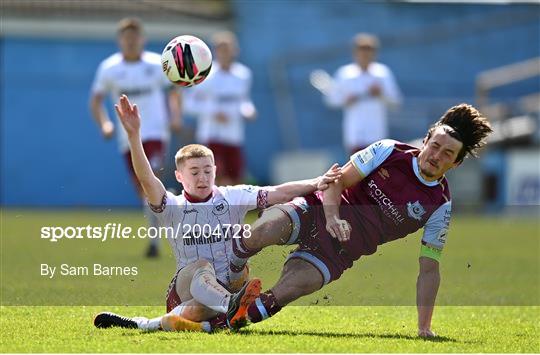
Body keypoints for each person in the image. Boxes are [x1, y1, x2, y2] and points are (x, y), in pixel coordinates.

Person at [230, 104, 492, 338]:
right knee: (263, 230)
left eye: (448, 153)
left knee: (290, 289)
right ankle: (228, 278)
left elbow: (429, 268)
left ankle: (232, 317)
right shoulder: (389, 151)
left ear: (456, 164)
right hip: (319, 209)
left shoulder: (440, 204)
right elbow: (338, 180)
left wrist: (424, 327)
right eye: (435, 146)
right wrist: (332, 217)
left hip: (341, 250)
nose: (437, 156)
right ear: (425, 141)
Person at [93, 95, 340, 332]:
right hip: (186, 287)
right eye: (194, 172)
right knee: (201, 266)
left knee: (233, 279)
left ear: (215, 170)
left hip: (223, 291)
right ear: (179, 176)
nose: (202, 178)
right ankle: (230, 307)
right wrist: (134, 136)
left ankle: (168, 323)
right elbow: (146, 179)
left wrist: (319, 181)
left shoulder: (231, 196)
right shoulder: (173, 207)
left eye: (207, 171)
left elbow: (277, 192)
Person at [89, 18, 182, 258]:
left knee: (151, 177)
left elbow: (174, 91)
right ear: (120, 40)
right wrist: (106, 124)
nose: (130, 42)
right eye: (126, 38)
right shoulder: (109, 68)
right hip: (127, 136)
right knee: (143, 189)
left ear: (143, 39)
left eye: (135, 37)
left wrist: (175, 116)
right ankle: (169, 208)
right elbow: (96, 101)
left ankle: (154, 244)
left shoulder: (156, 64)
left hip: (155, 132)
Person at [189, 31, 256, 186]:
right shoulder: (205, 75)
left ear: (235, 50)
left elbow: (244, 101)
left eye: (228, 48)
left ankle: (229, 210)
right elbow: (190, 105)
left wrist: (248, 111)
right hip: (211, 134)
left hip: (233, 135)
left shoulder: (243, 74)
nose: (224, 52)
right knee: (216, 177)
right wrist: (213, 113)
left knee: (236, 178)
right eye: (220, 48)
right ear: (214, 51)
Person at [324, 33, 402, 155]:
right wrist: (346, 100)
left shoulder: (383, 73)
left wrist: (380, 94)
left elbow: (396, 102)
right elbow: (331, 100)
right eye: (361, 50)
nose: (365, 55)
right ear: (355, 52)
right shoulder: (345, 74)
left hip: (377, 135)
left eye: (369, 50)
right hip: (355, 135)